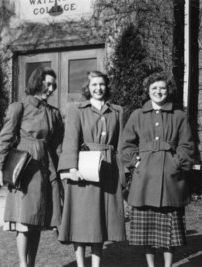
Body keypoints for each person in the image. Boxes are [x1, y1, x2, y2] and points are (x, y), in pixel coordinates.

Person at [0, 67, 64, 267]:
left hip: (44, 167)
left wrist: (64, 169)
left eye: (53, 85)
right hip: (25, 168)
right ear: (37, 82)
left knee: (36, 220)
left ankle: (31, 264)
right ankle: (23, 264)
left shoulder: (54, 113)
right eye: (47, 84)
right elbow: (5, 137)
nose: (50, 89)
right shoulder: (19, 107)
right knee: (24, 220)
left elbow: (58, 146)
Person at [121, 71, 195, 267]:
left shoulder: (179, 115)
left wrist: (176, 163)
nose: (158, 91)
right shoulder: (137, 115)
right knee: (147, 233)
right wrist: (136, 163)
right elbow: (126, 145)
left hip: (170, 181)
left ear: (168, 90)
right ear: (148, 91)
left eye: (162, 88)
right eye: (154, 88)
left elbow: (187, 145)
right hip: (143, 181)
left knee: (169, 233)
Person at [57, 71, 126, 267]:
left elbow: (121, 145)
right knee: (80, 221)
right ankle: (81, 264)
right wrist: (70, 168)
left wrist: (123, 174)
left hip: (108, 172)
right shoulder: (76, 109)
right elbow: (70, 140)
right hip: (83, 173)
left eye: (102, 84)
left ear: (107, 86)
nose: (98, 88)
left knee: (100, 222)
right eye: (94, 85)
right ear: (88, 88)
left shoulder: (117, 111)